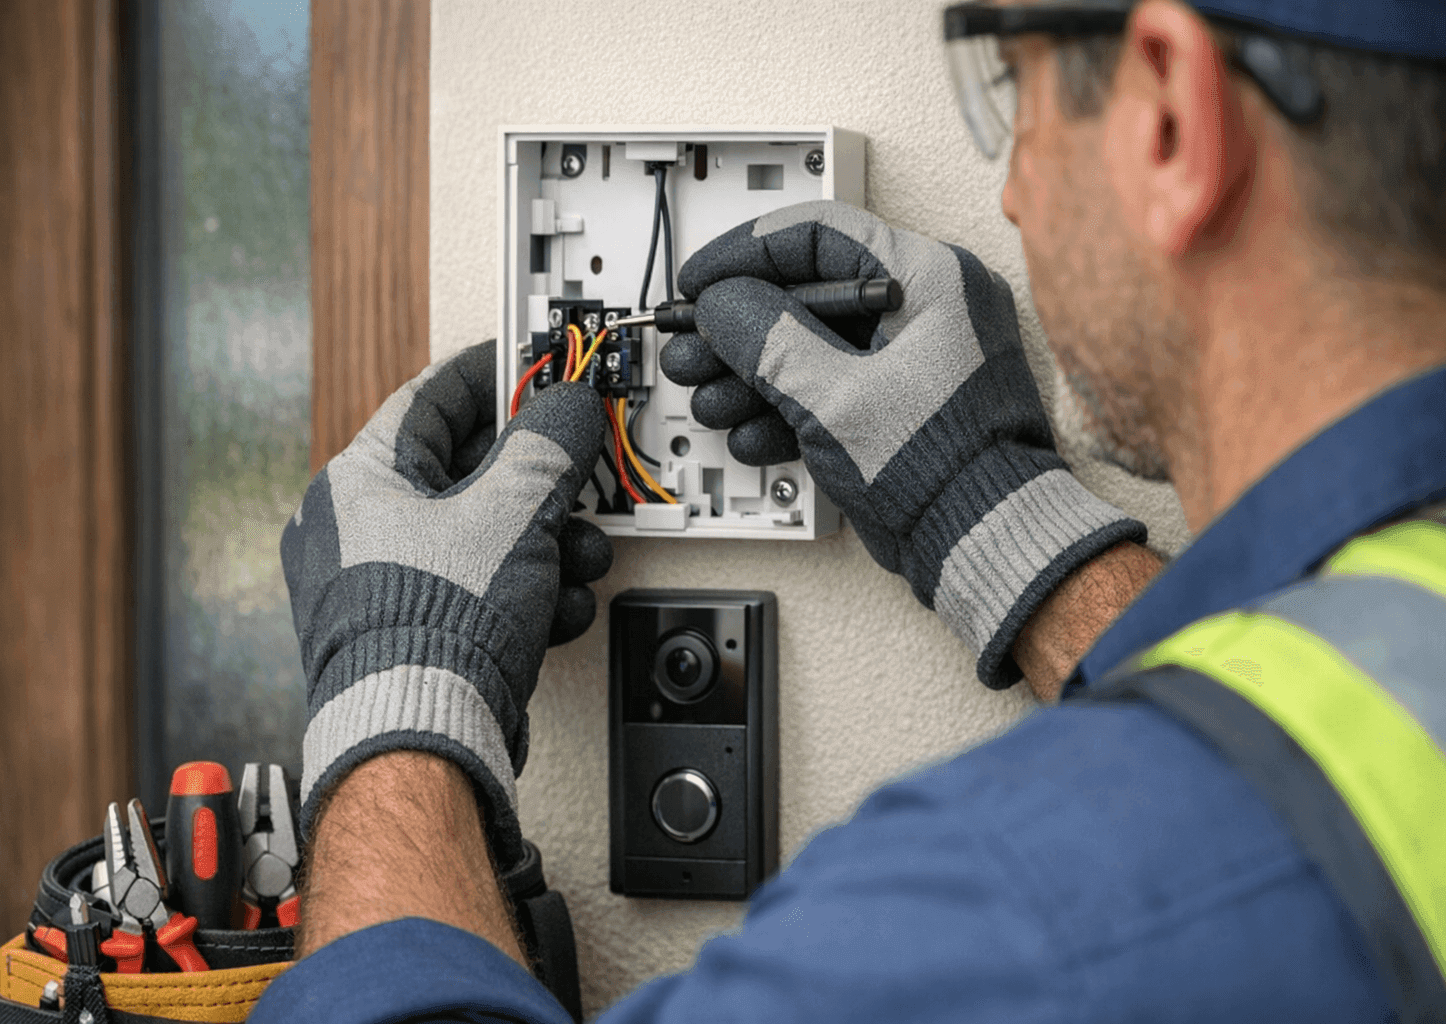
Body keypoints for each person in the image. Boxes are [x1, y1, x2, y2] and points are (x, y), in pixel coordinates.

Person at [252, 0, 1446, 1020]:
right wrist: (998, 519)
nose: (1016, 192)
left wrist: (395, 697)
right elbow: (1298, 713)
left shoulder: (1016, 907)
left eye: (1009, 94)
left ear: (1173, 116)